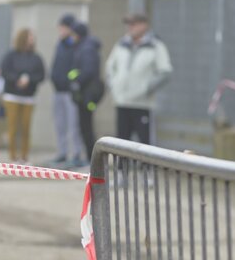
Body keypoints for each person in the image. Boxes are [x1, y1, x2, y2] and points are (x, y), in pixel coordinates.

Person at [105, 11, 172, 146]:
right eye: (128, 24)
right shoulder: (121, 44)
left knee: (145, 144)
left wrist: (146, 88)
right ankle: (121, 162)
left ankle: (145, 163)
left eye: (133, 24)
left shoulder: (155, 46)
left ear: (144, 25)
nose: (130, 27)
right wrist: (114, 86)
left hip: (142, 104)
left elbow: (165, 72)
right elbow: (110, 67)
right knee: (121, 144)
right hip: (122, 102)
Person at [0, 28, 47, 163]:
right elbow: (4, 71)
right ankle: (13, 156)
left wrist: (29, 80)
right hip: (12, 96)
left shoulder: (36, 58)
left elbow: (41, 75)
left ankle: (24, 156)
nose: (32, 39)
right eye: (29, 37)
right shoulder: (11, 55)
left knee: (26, 128)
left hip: (28, 97)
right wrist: (16, 80)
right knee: (13, 127)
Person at [47, 14, 86, 166]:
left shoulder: (75, 45)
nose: (60, 30)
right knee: (60, 124)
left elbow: (76, 68)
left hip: (70, 92)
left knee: (73, 125)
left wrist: (71, 82)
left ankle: (76, 153)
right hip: (58, 90)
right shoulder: (60, 44)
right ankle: (62, 152)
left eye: (63, 27)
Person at [69, 20, 104, 164]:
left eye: (73, 34)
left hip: (87, 95)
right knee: (84, 126)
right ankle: (90, 158)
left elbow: (88, 71)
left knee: (86, 127)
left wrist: (77, 80)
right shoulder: (83, 47)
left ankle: (91, 159)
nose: (71, 37)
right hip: (84, 94)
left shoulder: (87, 49)